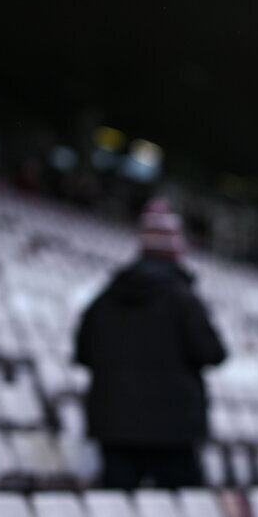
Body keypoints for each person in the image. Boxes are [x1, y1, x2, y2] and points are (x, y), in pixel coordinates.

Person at [74, 198, 227, 489]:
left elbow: (84, 354)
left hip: (114, 426)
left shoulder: (104, 299)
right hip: (172, 429)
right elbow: (212, 352)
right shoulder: (184, 300)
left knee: (119, 514)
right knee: (180, 516)